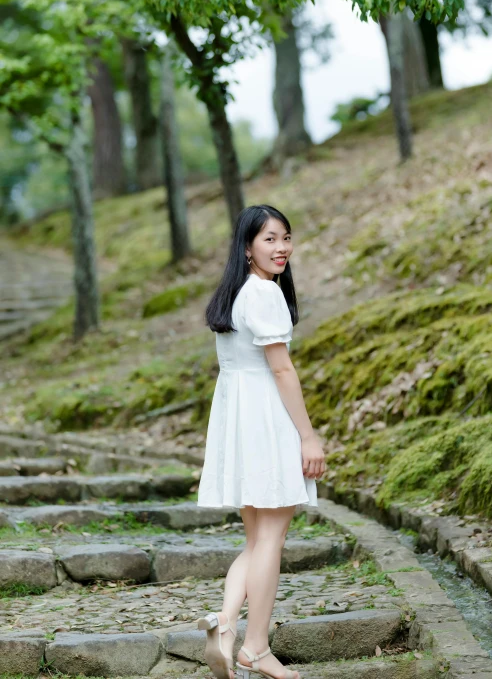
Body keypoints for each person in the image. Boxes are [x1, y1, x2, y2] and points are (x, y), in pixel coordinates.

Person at [196, 204, 326, 679]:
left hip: (237, 419)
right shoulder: (264, 294)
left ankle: (226, 626)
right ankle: (256, 646)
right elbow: (281, 368)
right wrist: (307, 437)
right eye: (270, 239)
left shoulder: (234, 294)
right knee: (270, 538)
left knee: (255, 540)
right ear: (247, 246)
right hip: (265, 420)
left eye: (286, 238)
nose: (282, 248)